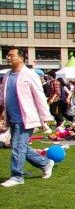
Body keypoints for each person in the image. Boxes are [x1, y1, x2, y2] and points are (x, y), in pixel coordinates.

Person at [1, 47, 55, 187]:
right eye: (7, 55)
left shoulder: (30, 74)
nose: (8, 57)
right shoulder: (8, 75)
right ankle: (45, 163)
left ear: (21, 58)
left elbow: (39, 96)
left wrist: (45, 116)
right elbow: (3, 95)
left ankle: (17, 176)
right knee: (18, 146)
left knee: (18, 147)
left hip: (25, 118)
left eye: (11, 55)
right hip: (11, 116)